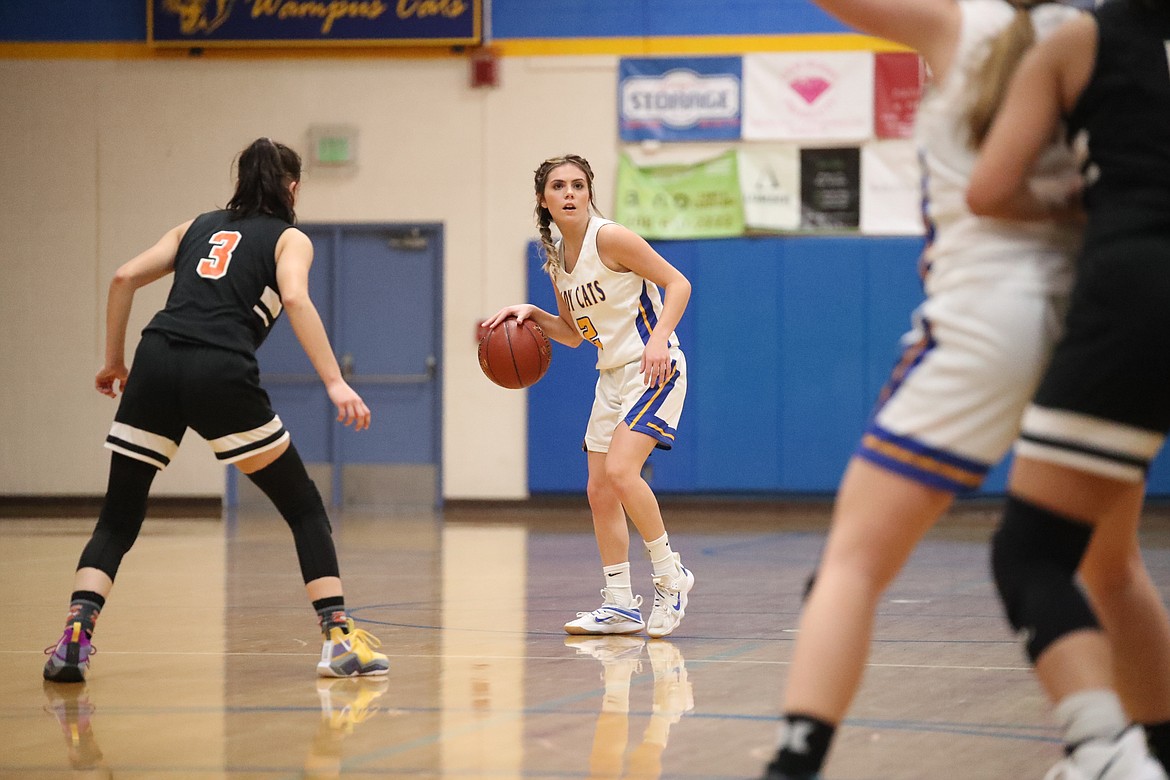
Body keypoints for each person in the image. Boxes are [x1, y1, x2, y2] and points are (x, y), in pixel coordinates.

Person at [756, 1, 1170, 778]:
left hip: (990, 318)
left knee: (852, 561)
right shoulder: (1107, 34)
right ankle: (1147, 753)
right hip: (1091, 319)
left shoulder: (966, 22)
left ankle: (794, 764)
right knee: (1111, 569)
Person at [42, 138, 389, 683]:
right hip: (220, 366)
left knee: (117, 518)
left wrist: (114, 361)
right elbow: (295, 299)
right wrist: (335, 381)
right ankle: (341, 641)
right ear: (292, 187)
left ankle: (74, 635)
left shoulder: (194, 226)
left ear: (239, 181)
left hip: (155, 358)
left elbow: (123, 278)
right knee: (303, 508)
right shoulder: (290, 237)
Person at [966, 0, 1170, 776]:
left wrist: (1070, 199)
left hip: (1137, 292)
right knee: (1111, 567)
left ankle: (1106, 753)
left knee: (1032, 554)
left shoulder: (1081, 39)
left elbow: (989, 190)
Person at [481, 154, 694, 638]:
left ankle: (670, 575)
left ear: (589, 192)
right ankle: (620, 604)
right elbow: (575, 334)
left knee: (621, 472)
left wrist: (660, 337)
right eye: (559, 186)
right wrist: (533, 312)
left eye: (579, 184)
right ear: (544, 199)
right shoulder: (557, 255)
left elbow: (677, 283)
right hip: (611, 376)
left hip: (652, 365)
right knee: (599, 490)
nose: (570, 193)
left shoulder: (609, 237)